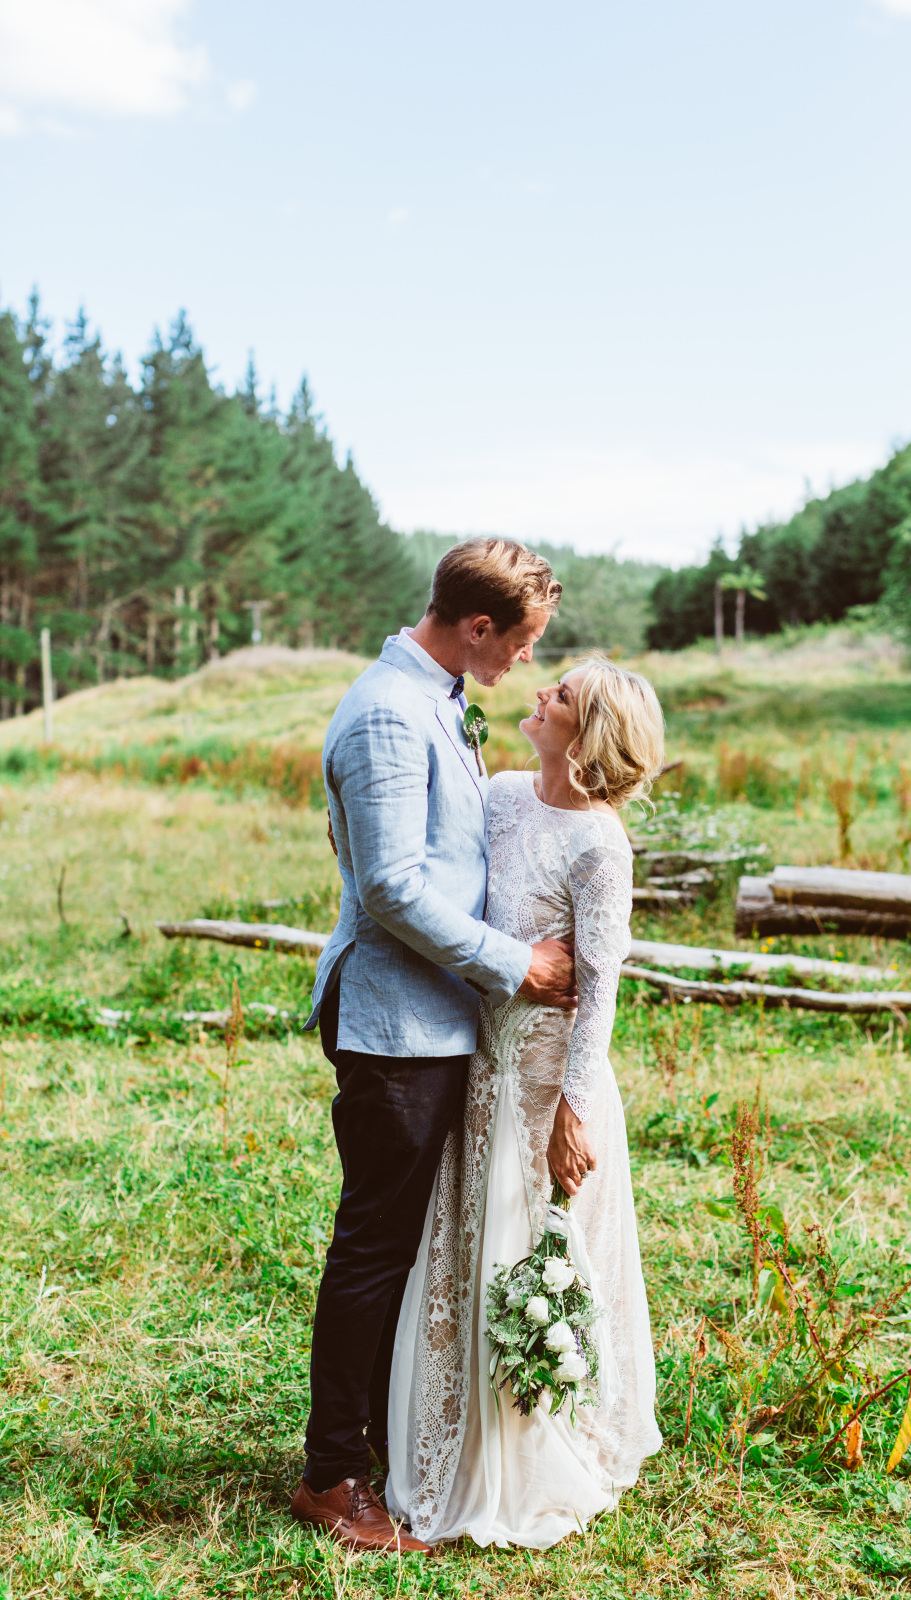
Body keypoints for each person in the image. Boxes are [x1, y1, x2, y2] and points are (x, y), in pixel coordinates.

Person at [291, 539, 578, 1554]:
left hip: (435, 1017)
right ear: (477, 625)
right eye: (520, 641)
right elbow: (389, 886)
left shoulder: (438, 697)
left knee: (407, 1244)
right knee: (375, 1245)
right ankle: (333, 1475)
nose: (524, 662)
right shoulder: (385, 712)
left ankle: (387, 1442)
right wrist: (516, 964)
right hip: (394, 1023)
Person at [387, 656, 664, 1548]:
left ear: (589, 735)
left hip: (549, 1081)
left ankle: (533, 1441)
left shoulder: (601, 846)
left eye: (562, 695)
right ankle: (451, 1431)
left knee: (533, 1251)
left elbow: (600, 988)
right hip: (478, 1063)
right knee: (466, 1239)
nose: (540, 693)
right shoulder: (502, 794)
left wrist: (573, 1112)